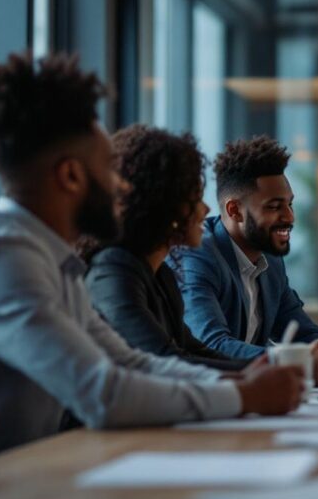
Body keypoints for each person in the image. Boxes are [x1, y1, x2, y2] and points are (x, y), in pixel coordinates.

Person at [0, 52, 302, 476]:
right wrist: (245, 398)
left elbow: (131, 362)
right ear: (70, 176)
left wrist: (242, 384)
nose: (122, 185)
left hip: (19, 483)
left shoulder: (49, 259)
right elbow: (101, 393)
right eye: (109, 168)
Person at [173, 136, 318, 385]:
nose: (290, 217)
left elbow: (300, 331)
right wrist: (300, 362)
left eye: (290, 204)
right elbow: (212, 344)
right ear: (234, 210)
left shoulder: (269, 258)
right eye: (274, 207)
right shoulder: (198, 253)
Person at [84, 125, 246, 371]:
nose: (206, 209)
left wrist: (274, 369)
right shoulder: (113, 269)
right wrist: (268, 373)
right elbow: (163, 360)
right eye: (195, 197)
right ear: (165, 204)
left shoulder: (161, 273)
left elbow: (193, 350)